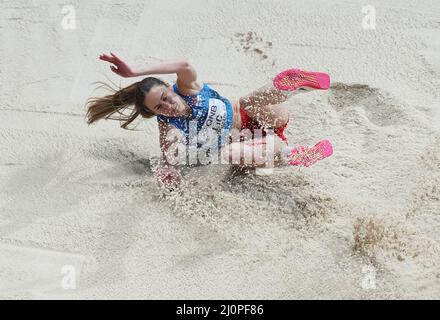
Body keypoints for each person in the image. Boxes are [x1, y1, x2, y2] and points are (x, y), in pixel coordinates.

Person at [86, 53, 333, 188]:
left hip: (266, 117)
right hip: (255, 144)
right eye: (159, 107)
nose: (168, 106)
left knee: (248, 101)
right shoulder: (168, 126)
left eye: (165, 97)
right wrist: (168, 171)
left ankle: (295, 86)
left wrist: (135, 72)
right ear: (156, 113)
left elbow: (183, 64)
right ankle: (295, 155)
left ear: (169, 88)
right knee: (229, 154)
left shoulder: (189, 87)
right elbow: (170, 155)